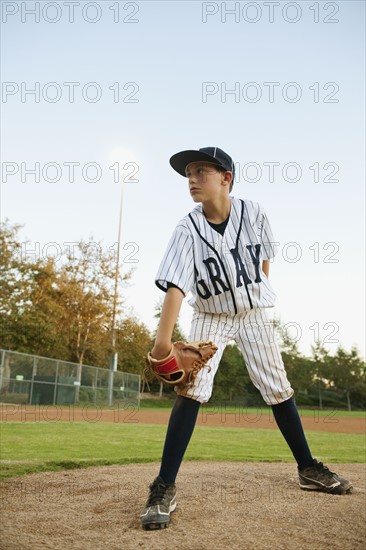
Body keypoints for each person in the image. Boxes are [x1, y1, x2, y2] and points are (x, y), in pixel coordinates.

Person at [140, 147, 352, 530]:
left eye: (200, 171)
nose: (191, 179)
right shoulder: (186, 229)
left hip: (253, 314)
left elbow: (265, 260)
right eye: (188, 173)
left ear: (226, 178)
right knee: (191, 391)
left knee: (278, 387)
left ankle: (307, 468)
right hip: (210, 316)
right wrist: (163, 342)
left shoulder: (254, 213)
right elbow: (175, 285)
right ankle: (164, 485)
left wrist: (256, 293)